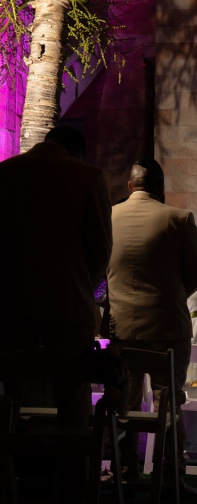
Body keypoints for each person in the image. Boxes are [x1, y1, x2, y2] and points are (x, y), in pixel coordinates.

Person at [1, 126, 112, 426]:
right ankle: (72, 470)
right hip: (68, 306)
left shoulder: (6, 173)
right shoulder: (88, 177)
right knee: (72, 398)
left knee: (7, 394)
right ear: (77, 152)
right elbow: (101, 250)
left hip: (11, 304)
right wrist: (82, 287)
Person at [106, 158, 197, 493]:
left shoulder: (110, 216)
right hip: (167, 329)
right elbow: (196, 275)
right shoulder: (178, 219)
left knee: (125, 401)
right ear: (160, 188)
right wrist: (170, 297)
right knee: (168, 402)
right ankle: (170, 476)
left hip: (121, 328)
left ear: (130, 185)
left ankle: (125, 469)